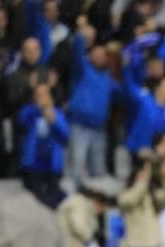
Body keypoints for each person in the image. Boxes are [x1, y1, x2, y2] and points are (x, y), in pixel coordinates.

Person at [67, 18, 118, 185]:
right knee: (77, 169)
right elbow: (76, 51)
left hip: (99, 129)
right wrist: (82, 34)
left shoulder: (109, 77)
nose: (100, 57)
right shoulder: (82, 69)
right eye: (96, 53)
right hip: (80, 127)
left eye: (103, 55)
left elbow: (124, 92)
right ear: (90, 56)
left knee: (98, 172)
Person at [18, 83, 67, 207]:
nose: (41, 97)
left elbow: (65, 135)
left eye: (44, 94)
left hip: (52, 164)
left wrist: (54, 120)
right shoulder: (30, 111)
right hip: (34, 164)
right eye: (38, 95)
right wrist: (37, 108)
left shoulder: (57, 113)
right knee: (35, 200)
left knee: (53, 199)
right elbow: (21, 121)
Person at [119, 160, 163, 247]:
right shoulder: (126, 196)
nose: (146, 178)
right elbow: (131, 199)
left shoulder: (151, 196)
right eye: (143, 174)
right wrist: (141, 183)